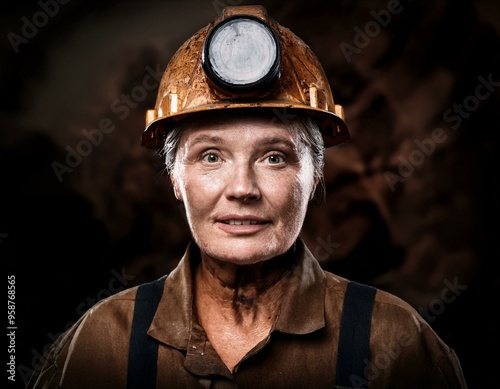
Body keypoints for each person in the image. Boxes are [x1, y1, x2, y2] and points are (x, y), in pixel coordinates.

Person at [26, 5, 468, 389]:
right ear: (175, 178)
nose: (242, 188)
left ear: (314, 177)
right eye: (211, 156)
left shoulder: (396, 343)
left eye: (274, 157)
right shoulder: (101, 344)